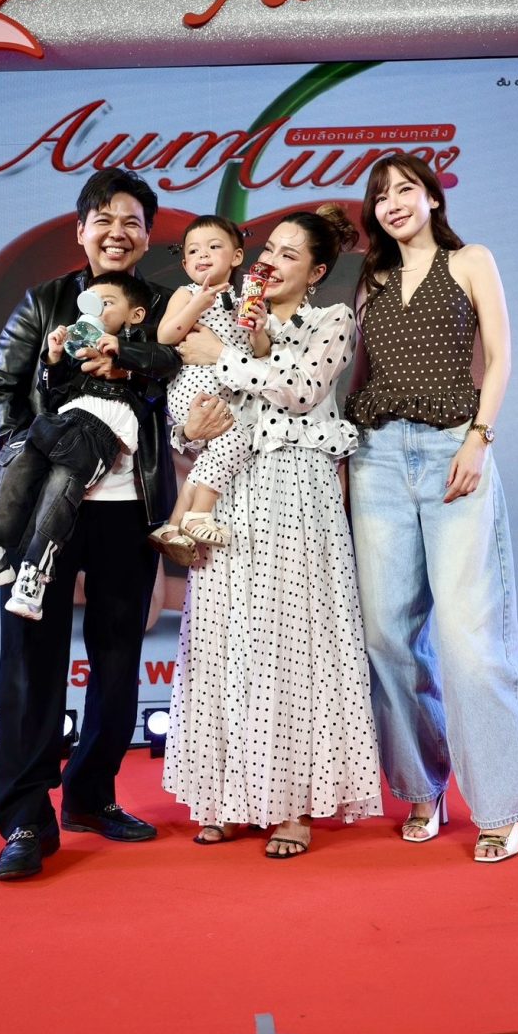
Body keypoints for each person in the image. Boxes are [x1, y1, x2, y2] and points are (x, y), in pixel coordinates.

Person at [0, 166, 233, 880]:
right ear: (81, 230)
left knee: (118, 658)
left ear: (147, 238)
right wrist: (44, 447)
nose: (117, 233)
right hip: (48, 511)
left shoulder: (163, 309)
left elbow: (180, 392)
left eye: (131, 223)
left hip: (131, 506)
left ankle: (91, 796)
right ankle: (25, 819)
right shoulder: (45, 301)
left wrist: (180, 422)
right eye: (104, 220)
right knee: (31, 660)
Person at [162, 204, 383, 857]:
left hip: (296, 487)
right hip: (230, 490)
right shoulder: (225, 310)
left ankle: (293, 805)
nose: (272, 262)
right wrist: (186, 429)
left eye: (290, 254)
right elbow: (195, 396)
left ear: (315, 271)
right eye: (269, 250)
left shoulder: (331, 320)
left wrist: (223, 357)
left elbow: (301, 390)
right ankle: (229, 798)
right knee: (223, 638)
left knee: (294, 643)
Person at [344, 152, 518, 864]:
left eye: (406, 189)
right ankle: (422, 787)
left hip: (455, 446)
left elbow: (501, 357)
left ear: (431, 197)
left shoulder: (470, 261)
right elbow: (358, 376)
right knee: (387, 637)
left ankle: (498, 807)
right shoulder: (372, 281)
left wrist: (479, 438)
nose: (393, 203)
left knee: (467, 638)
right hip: (376, 458)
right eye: (381, 196)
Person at [0, 273, 154, 620]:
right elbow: (52, 395)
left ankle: (16, 563)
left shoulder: (142, 346)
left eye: (106, 303)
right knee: (35, 466)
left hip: (98, 437)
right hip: (63, 426)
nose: (97, 311)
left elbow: (164, 365)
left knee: (48, 466)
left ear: (135, 315)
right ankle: (7, 560)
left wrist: (123, 357)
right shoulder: (76, 347)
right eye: (91, 305)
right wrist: (54, 358)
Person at [151, 215, 269, 558]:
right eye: (193, 251)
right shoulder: (186, 294)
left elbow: (259, 355)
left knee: (222, 449)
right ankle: (199, 516)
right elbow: (165, 335)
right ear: (185, 264)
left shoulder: (245, 301)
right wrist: (196, 306)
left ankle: (174, 525)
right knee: (235, 441)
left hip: (226, 393)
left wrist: (259, 330)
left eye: (214, 247)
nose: (203, 255)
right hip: (194, 388)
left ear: (236, 256)